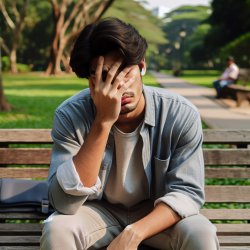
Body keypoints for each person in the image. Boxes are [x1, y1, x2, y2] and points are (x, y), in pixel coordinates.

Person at [40, 17, 219, 250]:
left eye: (124, 70)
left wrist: (134, 233)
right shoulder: (70, 115)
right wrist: (103, 121)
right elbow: (64, 203)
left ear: (142, 65)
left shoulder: (179, 113)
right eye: (105, 74)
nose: (119, 85)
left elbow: (187, 192)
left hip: (157, 212)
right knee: (58, 229)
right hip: (96, 212)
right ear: (91, 81)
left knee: (200, 232)